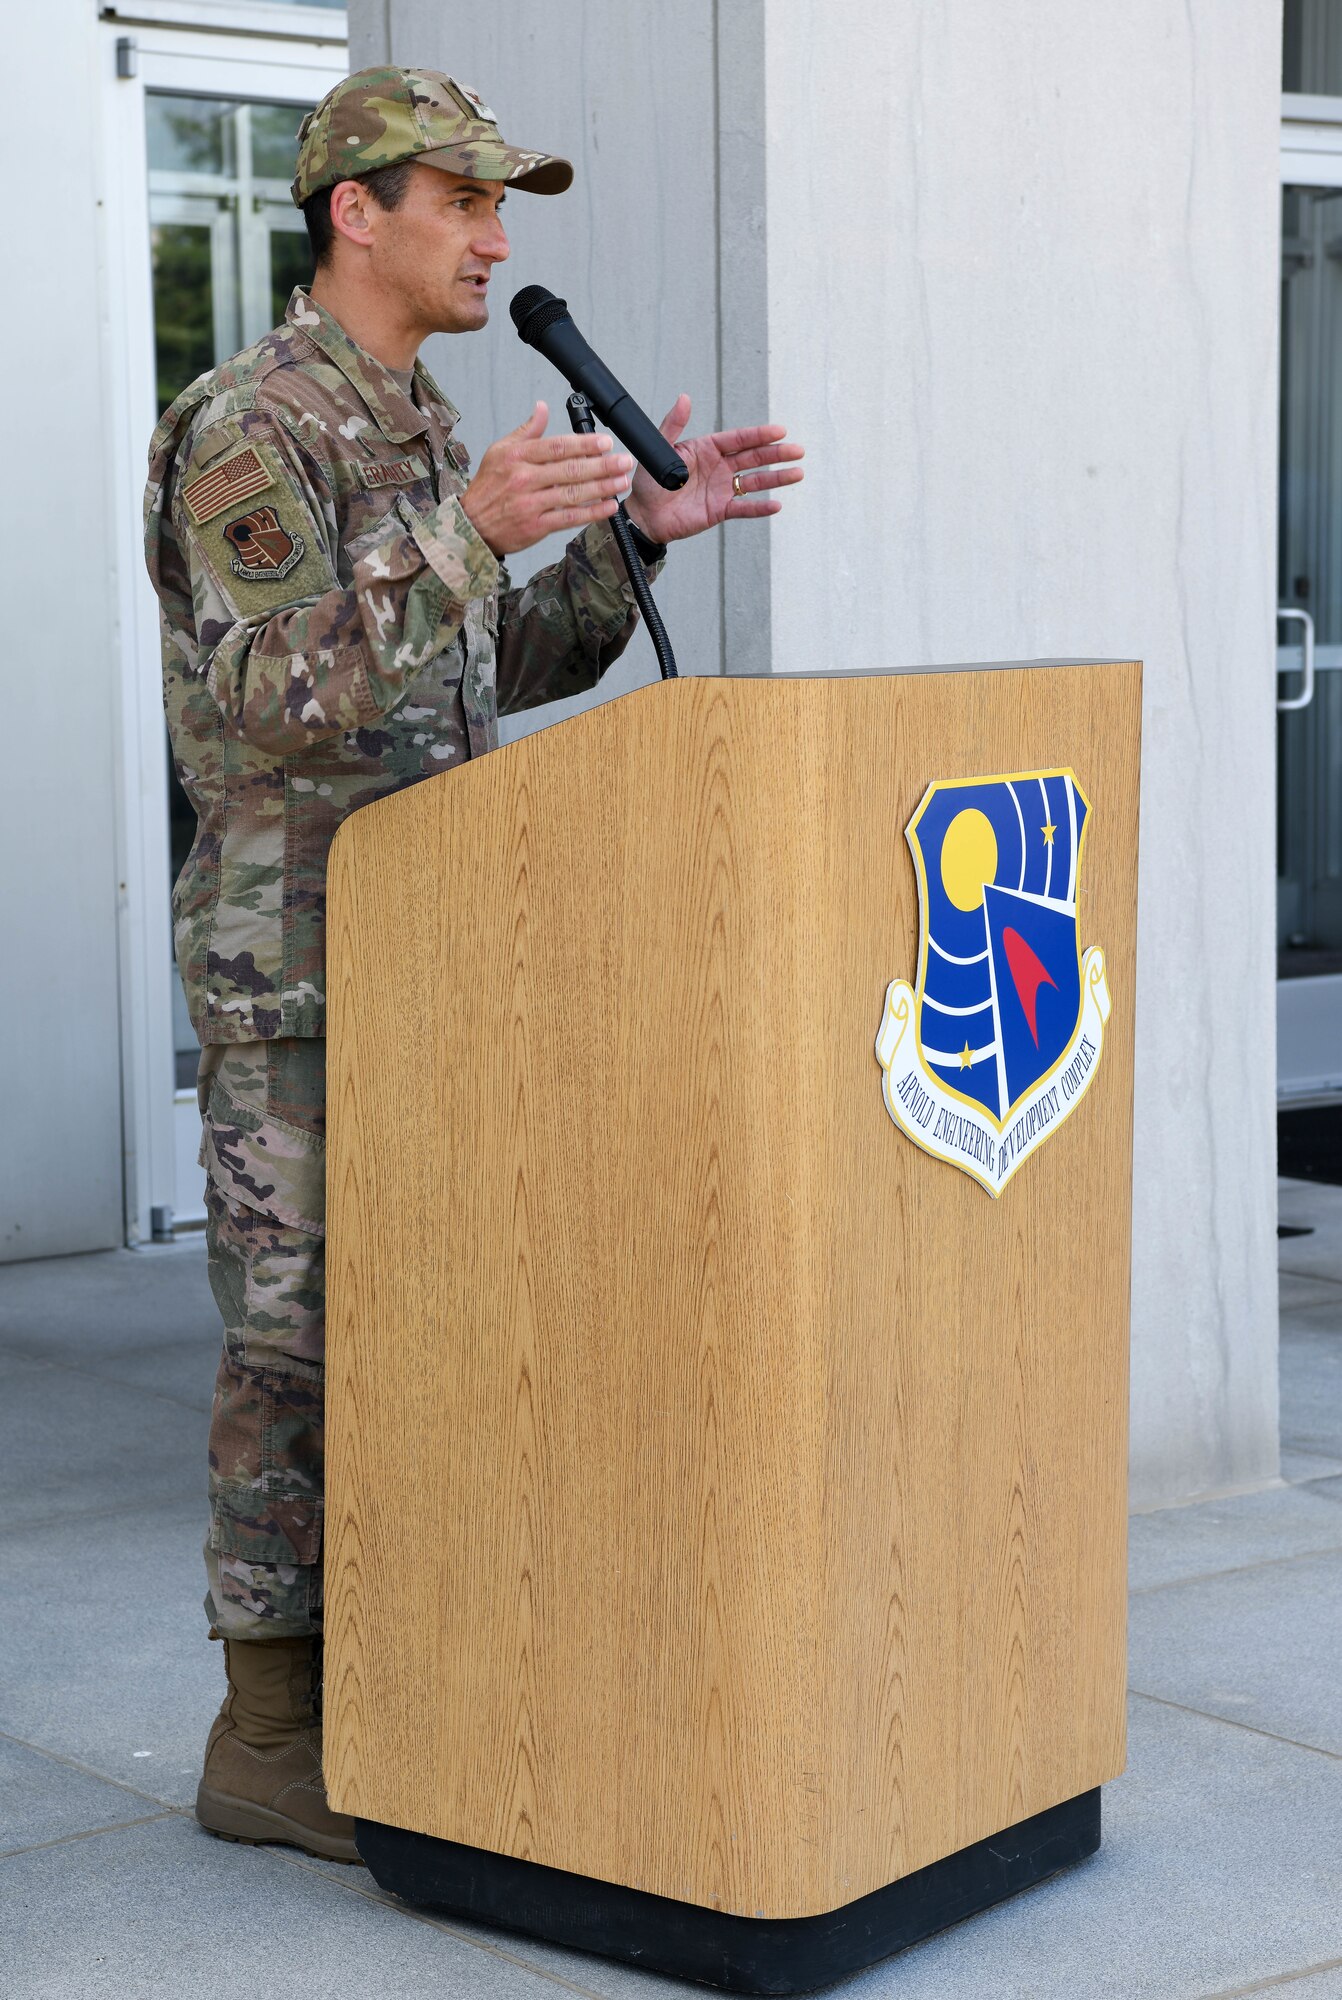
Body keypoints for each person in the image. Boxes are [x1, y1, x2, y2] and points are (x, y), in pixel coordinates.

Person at [143, 65, 804, 1864]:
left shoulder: (428, 425)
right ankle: (266, 1739)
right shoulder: (246, 425)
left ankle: (414, 1686)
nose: (496, 240)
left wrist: (620, 544)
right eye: (464, 204)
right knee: (297, 1347)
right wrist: (476, 530)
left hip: (450, 956)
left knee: (436, 1330)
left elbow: (467, 672)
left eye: (499, 209)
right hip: (298, 974)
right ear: (356, 212)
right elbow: (277, 697)